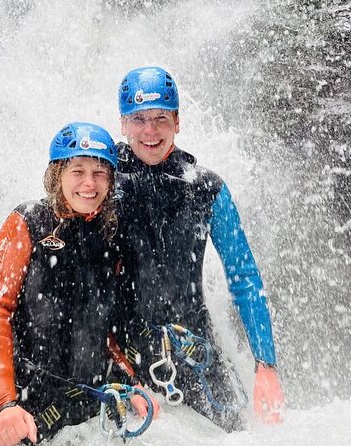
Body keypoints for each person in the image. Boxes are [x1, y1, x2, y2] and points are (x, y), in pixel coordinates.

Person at [115, 66, 285, 431]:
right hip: (125, 355)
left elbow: (243, 278)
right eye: (139, 119)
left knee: (242, 434)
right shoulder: (100, 182)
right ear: (123, 125)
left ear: (177, 122)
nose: (150, 130)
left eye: (161, 118)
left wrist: (265, 365)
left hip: (194, 352)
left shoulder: (207, 188)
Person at [0, 122, 144, 445]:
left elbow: (108, 327)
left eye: (99, 173)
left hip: (90, 408)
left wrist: (131, 382)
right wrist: (4, 404)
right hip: (29, 410)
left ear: (111, 180)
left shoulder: (111, 235)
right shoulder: (26, 222)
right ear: (58, 175)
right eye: (77, 171)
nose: (89, 183)